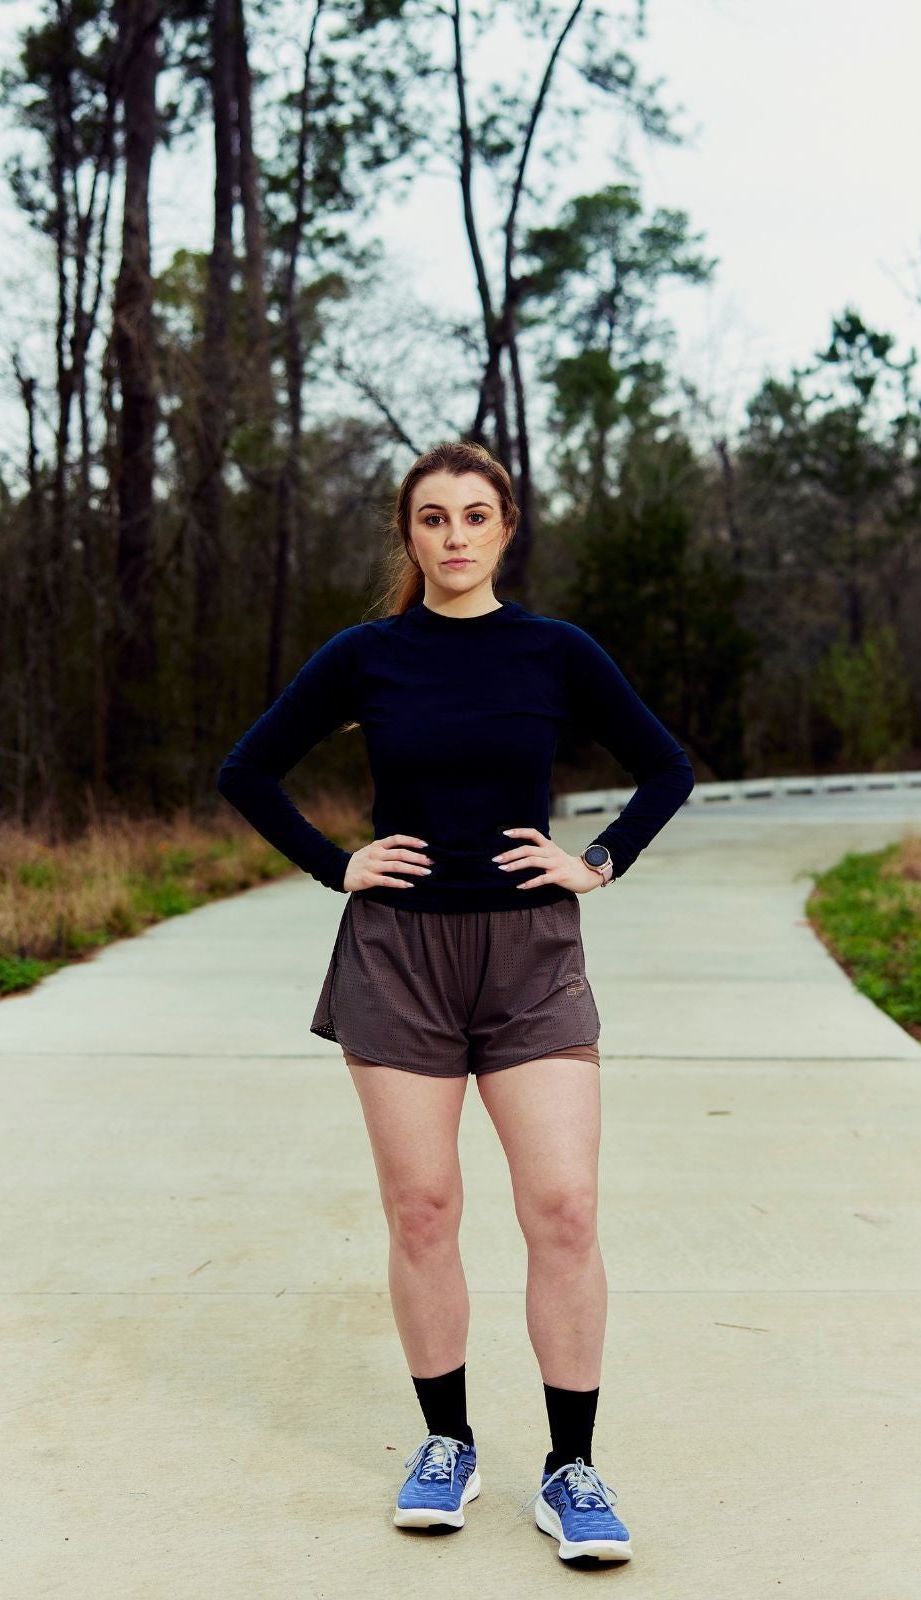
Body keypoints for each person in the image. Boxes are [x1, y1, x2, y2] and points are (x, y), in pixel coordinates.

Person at [216, 439, 695, 1566]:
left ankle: (571, 1467)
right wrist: (339, 865)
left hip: (531, 953)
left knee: (565, 1207)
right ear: (411, 534)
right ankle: (447, 1441)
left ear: (506, 527)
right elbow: (247, 768)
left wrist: (601, 858)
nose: (455, 536)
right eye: (433, 518)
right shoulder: (366, 656)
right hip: (400, 957)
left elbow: (667, 765)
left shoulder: (555, 652)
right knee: (424, 1209)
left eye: (475, 515)